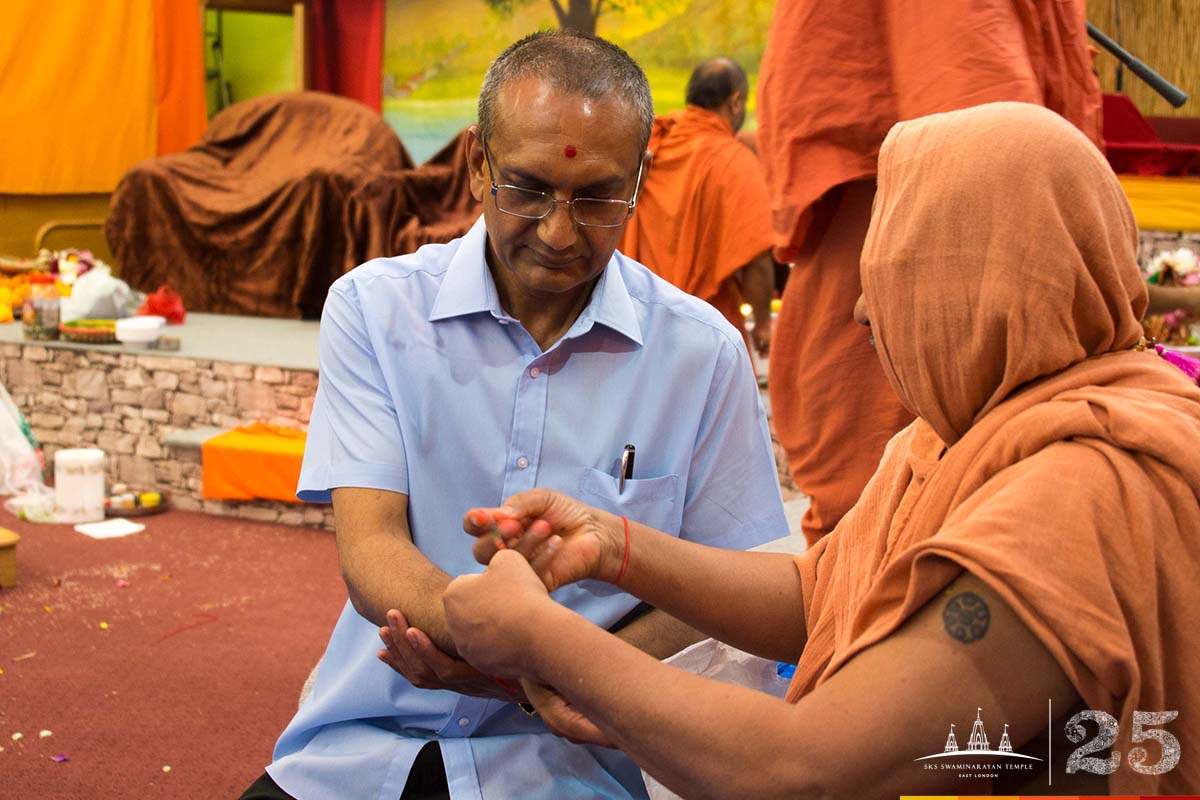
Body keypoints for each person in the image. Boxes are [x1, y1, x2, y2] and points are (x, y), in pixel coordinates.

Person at [443, 103, 1200, 798]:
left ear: (986, 285)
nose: (866, 310)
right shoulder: (960, 434)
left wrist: (543, 637)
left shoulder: (1084, 485)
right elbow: (824, 595)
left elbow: (806, 769)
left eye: (900, 269)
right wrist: (617, 547)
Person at [239, 30, 788, 800]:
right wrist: (487, 645)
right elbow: (372, 549)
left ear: (641, 180)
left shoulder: (701, 355)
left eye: (597, 198)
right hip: (368, 742)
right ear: (475, 163)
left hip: (580, 756)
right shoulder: (375, 309)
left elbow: (734, 590)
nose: (559, 233)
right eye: (526, 188)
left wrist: (547, 675)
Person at [757, 0, 1104, 545]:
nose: (863, 312)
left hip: (913, 240)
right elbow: (990, 138)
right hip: (926, 237)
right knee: (880, 524)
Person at [618, 58, 775, 359]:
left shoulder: (649, 146)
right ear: (737, 102)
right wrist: (764, 323)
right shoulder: (734, 161)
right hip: (704, 335)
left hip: (632, 323)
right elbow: (757, 260)